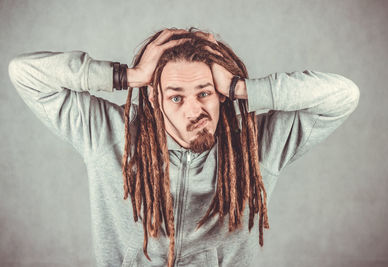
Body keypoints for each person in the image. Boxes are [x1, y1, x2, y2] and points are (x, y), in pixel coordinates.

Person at [8, 27, 360, 267]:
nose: (195, 111)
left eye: (205, 93)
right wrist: (127, 76)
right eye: (176, 97)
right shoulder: (108, 134)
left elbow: (343, 96)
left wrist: (243, 88)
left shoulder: (257, 142)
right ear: (153, 98)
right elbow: (24, 72)